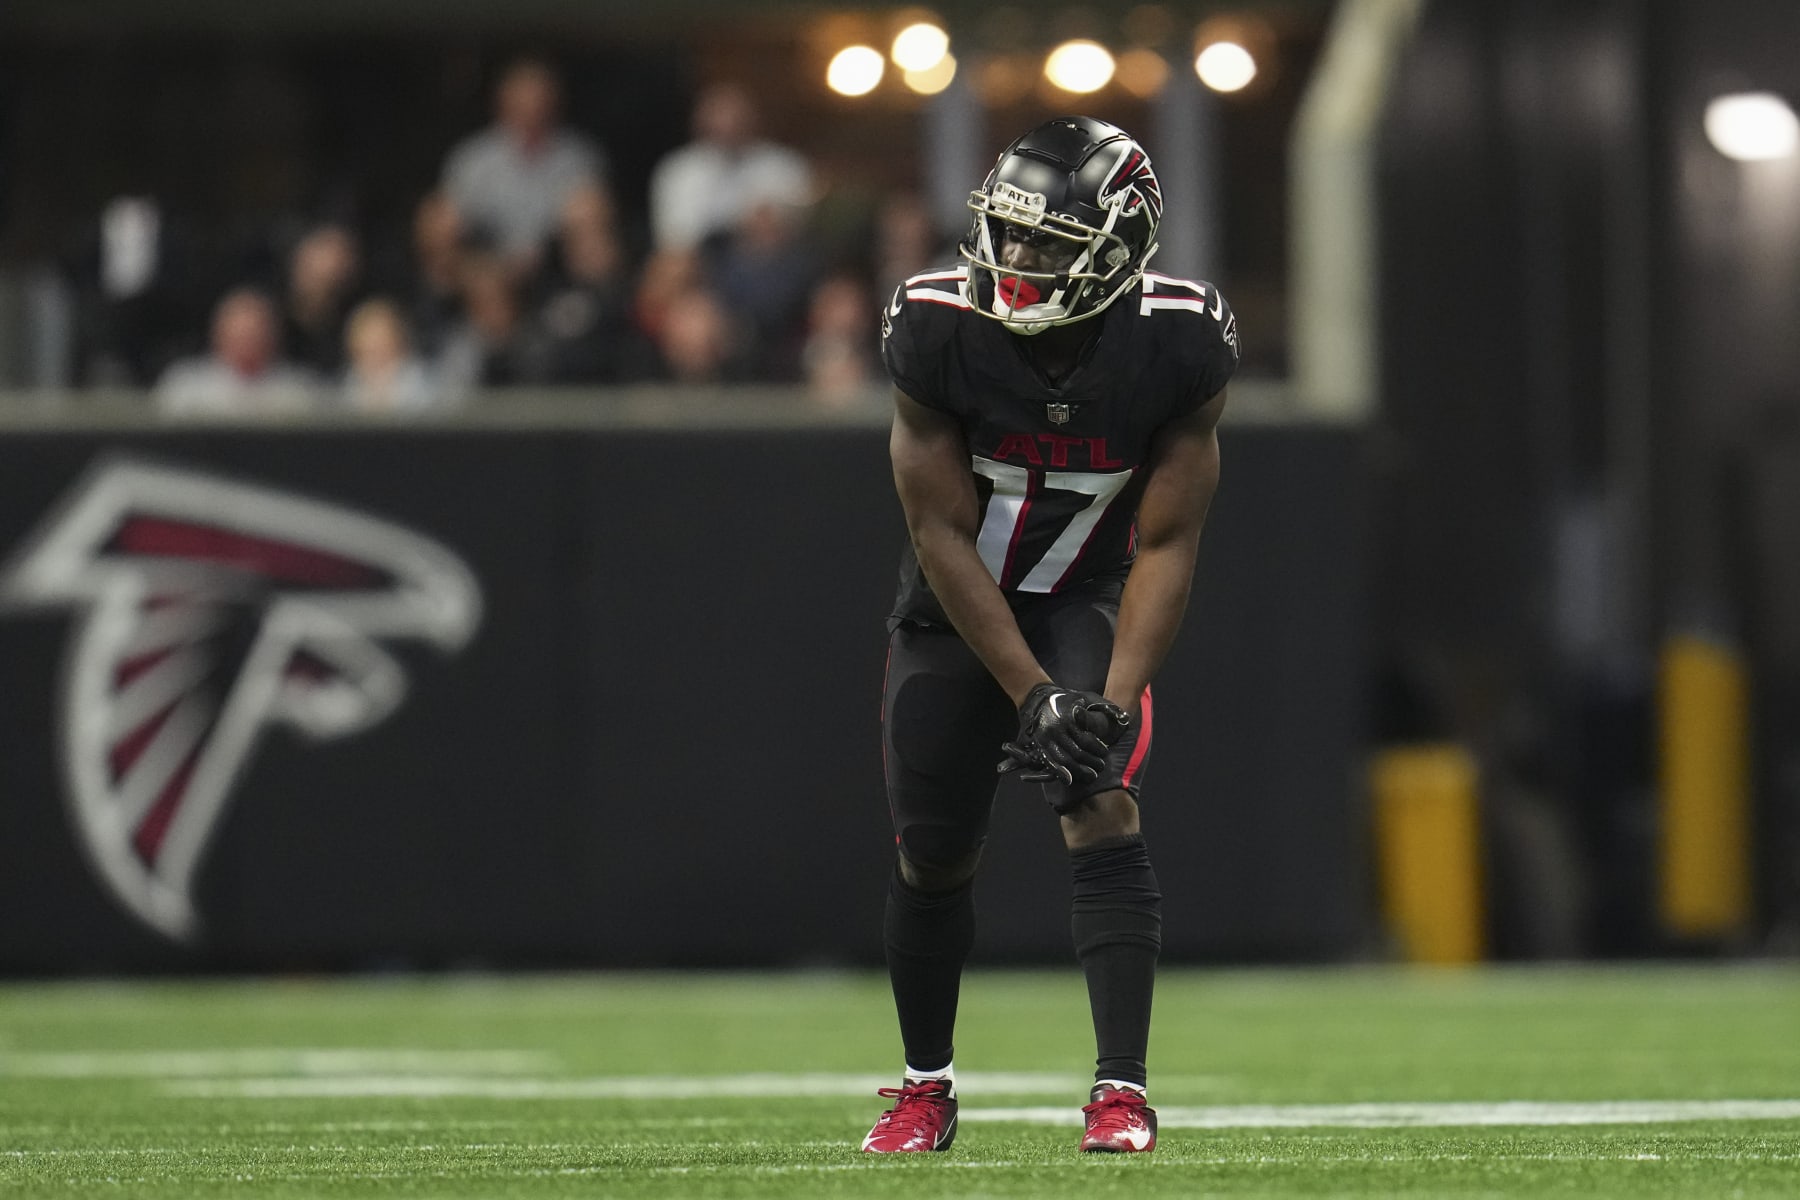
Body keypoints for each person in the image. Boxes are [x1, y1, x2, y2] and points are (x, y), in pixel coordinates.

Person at [864, 116, 1239, 1156]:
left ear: (1120, 247)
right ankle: (922, 1089)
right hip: (955, 608)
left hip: (1089, 596)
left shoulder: (1180, 340)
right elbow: (939, 529)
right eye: (1008, 233)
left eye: (1045, 242)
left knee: (1100, 802)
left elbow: (1165, 545)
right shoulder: (935, 324)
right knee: (934, 854)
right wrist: (1034, 694)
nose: (1014, 258)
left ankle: (1122, 1093)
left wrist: (1104, 703)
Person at [441, 57, 607, 279]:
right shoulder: (474, 159)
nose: (532, 108)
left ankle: (593, 305)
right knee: (442, 224)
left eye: (539, 99)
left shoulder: (579, 156)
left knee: (590, 219)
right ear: (503, 102)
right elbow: (454, 222)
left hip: (557, 266)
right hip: (487, 266)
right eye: (523, 100)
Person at [646, 82, 812, 254]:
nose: (729, 127)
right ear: (701, 122)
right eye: (720, 118)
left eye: (737, 119)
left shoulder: (784, 165)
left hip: (772, 258)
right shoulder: (679, 170)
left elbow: (801, 226)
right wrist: (738, 225)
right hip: (703, 262)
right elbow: (675, 236)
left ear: (753, 119)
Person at [153, 287, 321, 417]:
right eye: (240, 335)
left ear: (274, 336)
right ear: (218, 334)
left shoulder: (299, 391)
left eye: (255, 334)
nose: (248, 343)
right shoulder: (185, 386)